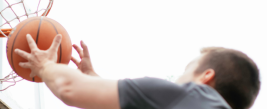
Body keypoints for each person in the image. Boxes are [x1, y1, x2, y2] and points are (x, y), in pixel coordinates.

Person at [15, 34, 260, 109]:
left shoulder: (191, 95)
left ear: (206, 76)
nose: (179, 80)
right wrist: (92, 78)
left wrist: (44, 65)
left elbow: (69, 88)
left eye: (186, 71)